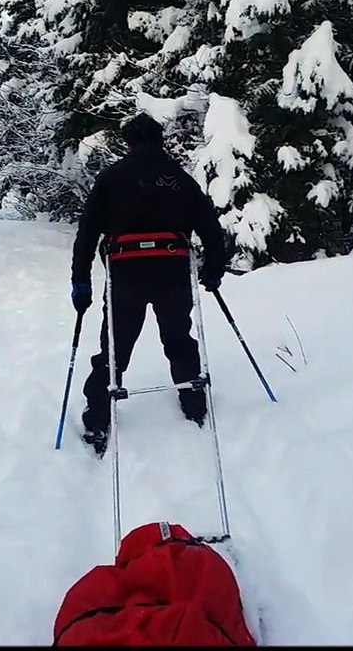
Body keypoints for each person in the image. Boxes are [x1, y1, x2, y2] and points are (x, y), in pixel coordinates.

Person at [70, 113, 227, 457]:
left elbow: (87, 233)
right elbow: (210, 225)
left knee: (115, 346)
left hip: (127, 273)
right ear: (160, 141)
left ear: (128, 143)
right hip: (171, 270)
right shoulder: (179, 178)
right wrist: (215, 267)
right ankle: (193, 399)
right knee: (178, 337)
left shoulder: (110, 178)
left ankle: (98, 414)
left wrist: (80, 280)